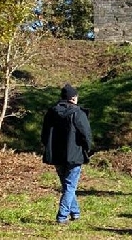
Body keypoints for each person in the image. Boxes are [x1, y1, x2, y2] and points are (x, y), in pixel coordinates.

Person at [41, 84, 93, 224]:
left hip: (56, 155)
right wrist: (88, 149)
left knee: (67, 185)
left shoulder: (51, 112)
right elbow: (86, 135)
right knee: (70, 186)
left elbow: (44, 134)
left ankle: (75, 213)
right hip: (74, 155)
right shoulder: (78, 113)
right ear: (73, 98)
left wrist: (47, 147)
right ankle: (62, 216)